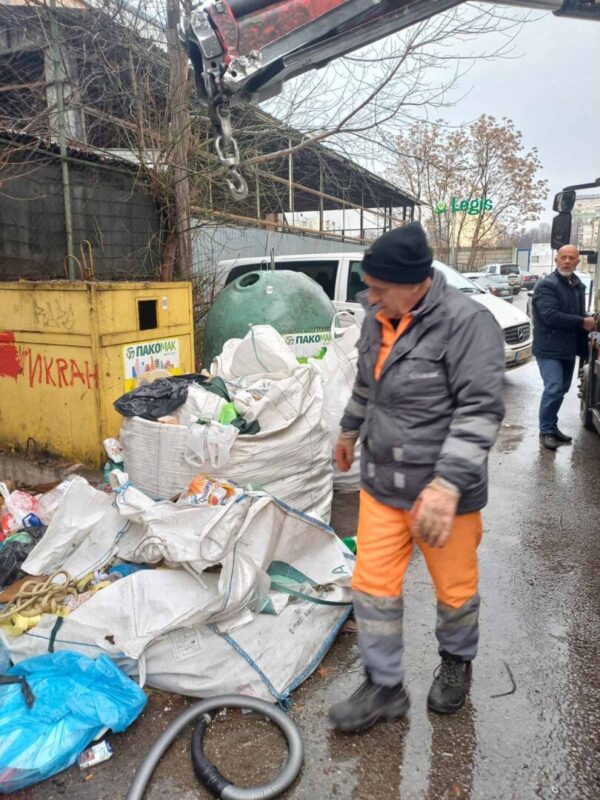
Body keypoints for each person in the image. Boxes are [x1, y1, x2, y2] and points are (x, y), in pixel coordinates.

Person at [328, 222, 505, 731]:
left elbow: (479, 410)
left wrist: (447, 485)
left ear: (415, 283)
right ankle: (384, 687)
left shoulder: (467, 323)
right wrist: (349, 429)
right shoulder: (376, 317)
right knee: (372, 588)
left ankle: (456, 662)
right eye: (369, 287)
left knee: (455, 590)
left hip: (444, 492)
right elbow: (366, 385)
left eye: (380, 288)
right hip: (383, 483)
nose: (371, 297)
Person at [531, 245, 595, 451]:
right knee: (553, 388)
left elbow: (578, 313)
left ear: (578, 261)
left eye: (571, 258)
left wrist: (589, 319)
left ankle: (552, 426)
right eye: (563, 257)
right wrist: (582, 322)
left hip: (568, 348)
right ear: (556, 260)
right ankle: (545, 432)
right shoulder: (546, 285)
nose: (567, 261)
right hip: (548, 348)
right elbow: (550, 316)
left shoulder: (577, 285)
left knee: (562, 390)